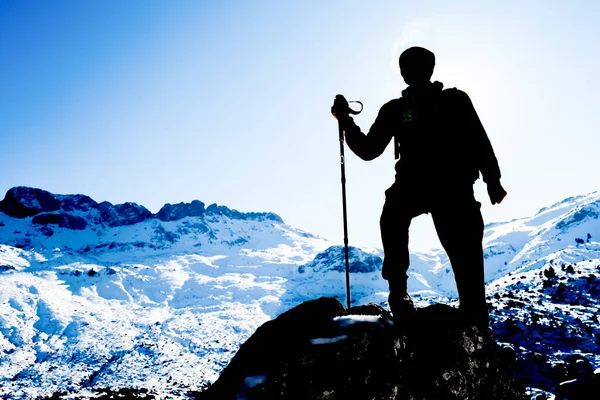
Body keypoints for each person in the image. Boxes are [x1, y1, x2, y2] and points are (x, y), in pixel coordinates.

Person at [331, 46, 507, 325]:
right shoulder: (442, 102)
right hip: (448, 186)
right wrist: (492, 181)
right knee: (456, 248)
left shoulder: (404, 108)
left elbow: (368, 149)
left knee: (396, 219)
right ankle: (420, 299)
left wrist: (346, 122)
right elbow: (478, 141)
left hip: (433, 186)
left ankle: (403, 294)